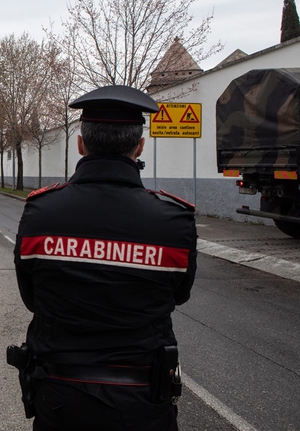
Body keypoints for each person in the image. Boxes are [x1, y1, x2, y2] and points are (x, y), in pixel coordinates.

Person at [12, 85, 197, 430]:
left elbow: (31, 298)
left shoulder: (40, 212)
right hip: (144, 403)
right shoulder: (175, 221)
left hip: (60, 401)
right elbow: (178, 295)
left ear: (81, 144)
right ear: (140, 146)